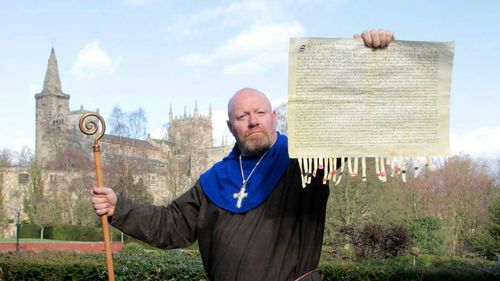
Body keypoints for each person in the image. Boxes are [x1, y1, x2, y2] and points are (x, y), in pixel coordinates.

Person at [92, 29, 394, 281]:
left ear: (273, 117)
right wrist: (119, 207)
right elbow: (169, 224)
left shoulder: (302, 161)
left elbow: (341, 128)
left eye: (260, 112)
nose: (253, 120)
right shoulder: (213, 181)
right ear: (229, 126)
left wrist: (362, 62)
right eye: (242, 116)